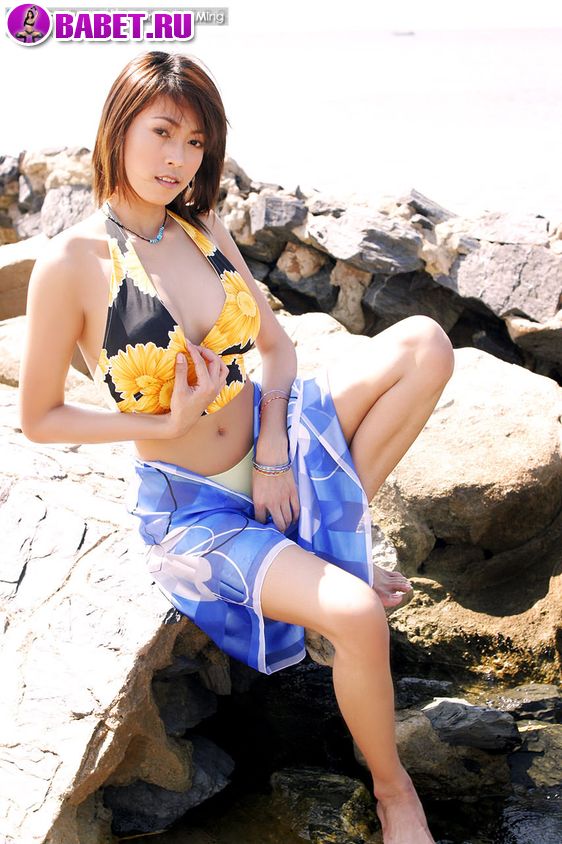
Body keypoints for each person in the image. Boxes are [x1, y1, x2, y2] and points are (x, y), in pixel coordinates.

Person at [18, 50, 454, 844]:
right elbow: (41, 417)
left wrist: (278, 450)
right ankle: (396, 795)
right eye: (162, 133)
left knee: (425, 342)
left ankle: (326, 545)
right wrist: (160, 426)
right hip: (198, 508)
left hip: (273, 443)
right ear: (118, 127)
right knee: (358, 614)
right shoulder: (72, 262)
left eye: (195, 143)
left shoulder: (201, 225)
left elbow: (278, 352)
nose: (178, 159)